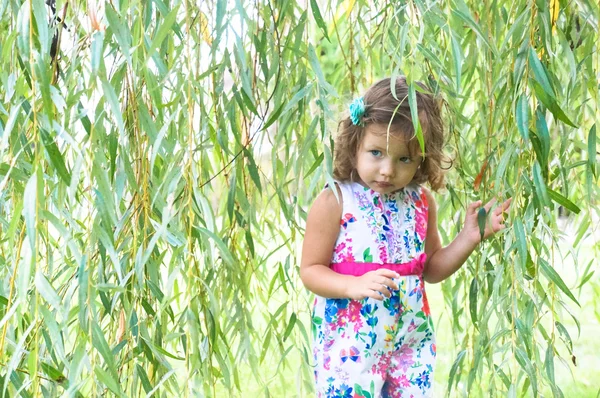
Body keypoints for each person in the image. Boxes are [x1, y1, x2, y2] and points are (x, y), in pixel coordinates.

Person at [299, 76, 511, 397]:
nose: (387, 170)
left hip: (410, 341)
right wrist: (352, 286)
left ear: (422, 160)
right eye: (376, 153)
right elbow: (311, 270)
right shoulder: (336, 201)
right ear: (355, 142)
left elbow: (432, 268)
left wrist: (469, 236)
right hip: (351, 345)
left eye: (404, 159)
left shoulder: (421, 202)